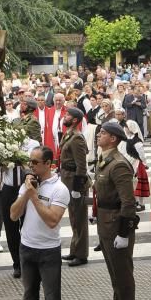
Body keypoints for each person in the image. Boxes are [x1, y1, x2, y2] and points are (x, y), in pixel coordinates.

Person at [9, 146, 69, 300]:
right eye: (29, 161)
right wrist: (26, 193)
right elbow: (14, 215)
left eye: (34, 162)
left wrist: (34, 196)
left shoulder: (59, 189)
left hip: (49, 252)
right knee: (29, 296)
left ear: (48, 164)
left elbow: (53, 220)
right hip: (27, 248)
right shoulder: (28, 185)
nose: (30, 166)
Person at [93, 122, 138, 300]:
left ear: (113, 139)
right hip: (105, 223)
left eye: (103, 133)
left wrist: (123, 232)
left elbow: (128, 203)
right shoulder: (104, 160)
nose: (98, 135)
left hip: (116, 225)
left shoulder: (119, 164)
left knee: (123, 277)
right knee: (114, 275)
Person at [3, 99, 42, 279]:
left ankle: (29, 261)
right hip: (10, 187)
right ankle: (16, 263)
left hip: (26, 187)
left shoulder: (32, 145)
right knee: (11, 228)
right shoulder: (5, 145)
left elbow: (35, 164)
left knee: (28, 225)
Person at [57, 107, 89, 266]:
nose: (65, 116)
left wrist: (77, 188)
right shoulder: (69, 133)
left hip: (75, 181)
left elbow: (81, 166)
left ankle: (81, 255)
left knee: (80, 219)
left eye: (68, 115)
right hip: (67, 179)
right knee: (73, 217)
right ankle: (74, 250)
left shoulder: (77, 138)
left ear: (75, 120)